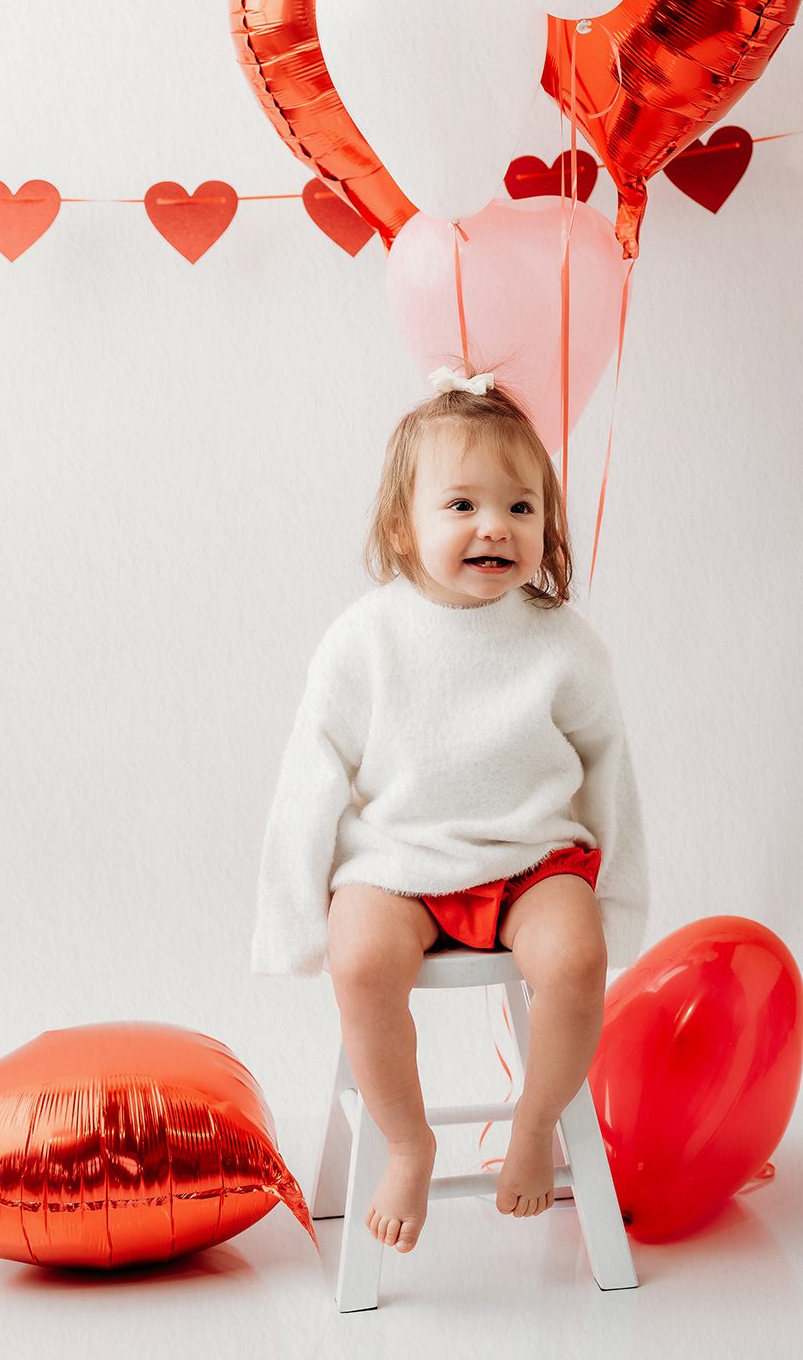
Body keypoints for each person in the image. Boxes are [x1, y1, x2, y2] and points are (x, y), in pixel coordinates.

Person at [250, 362, 648, 1255]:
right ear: (403, 524)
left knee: (577, 959)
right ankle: (407, 1141)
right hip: (398, 862)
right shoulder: (366, 638)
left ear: (547, 529)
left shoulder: (563, 645)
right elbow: (310, 772)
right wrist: (290, 918)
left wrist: (617, 897)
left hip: (530, 859)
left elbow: (609, 767)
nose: (493, 527)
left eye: (519, 507)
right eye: (461, 506)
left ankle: (536, 1122)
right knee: (360, 965)